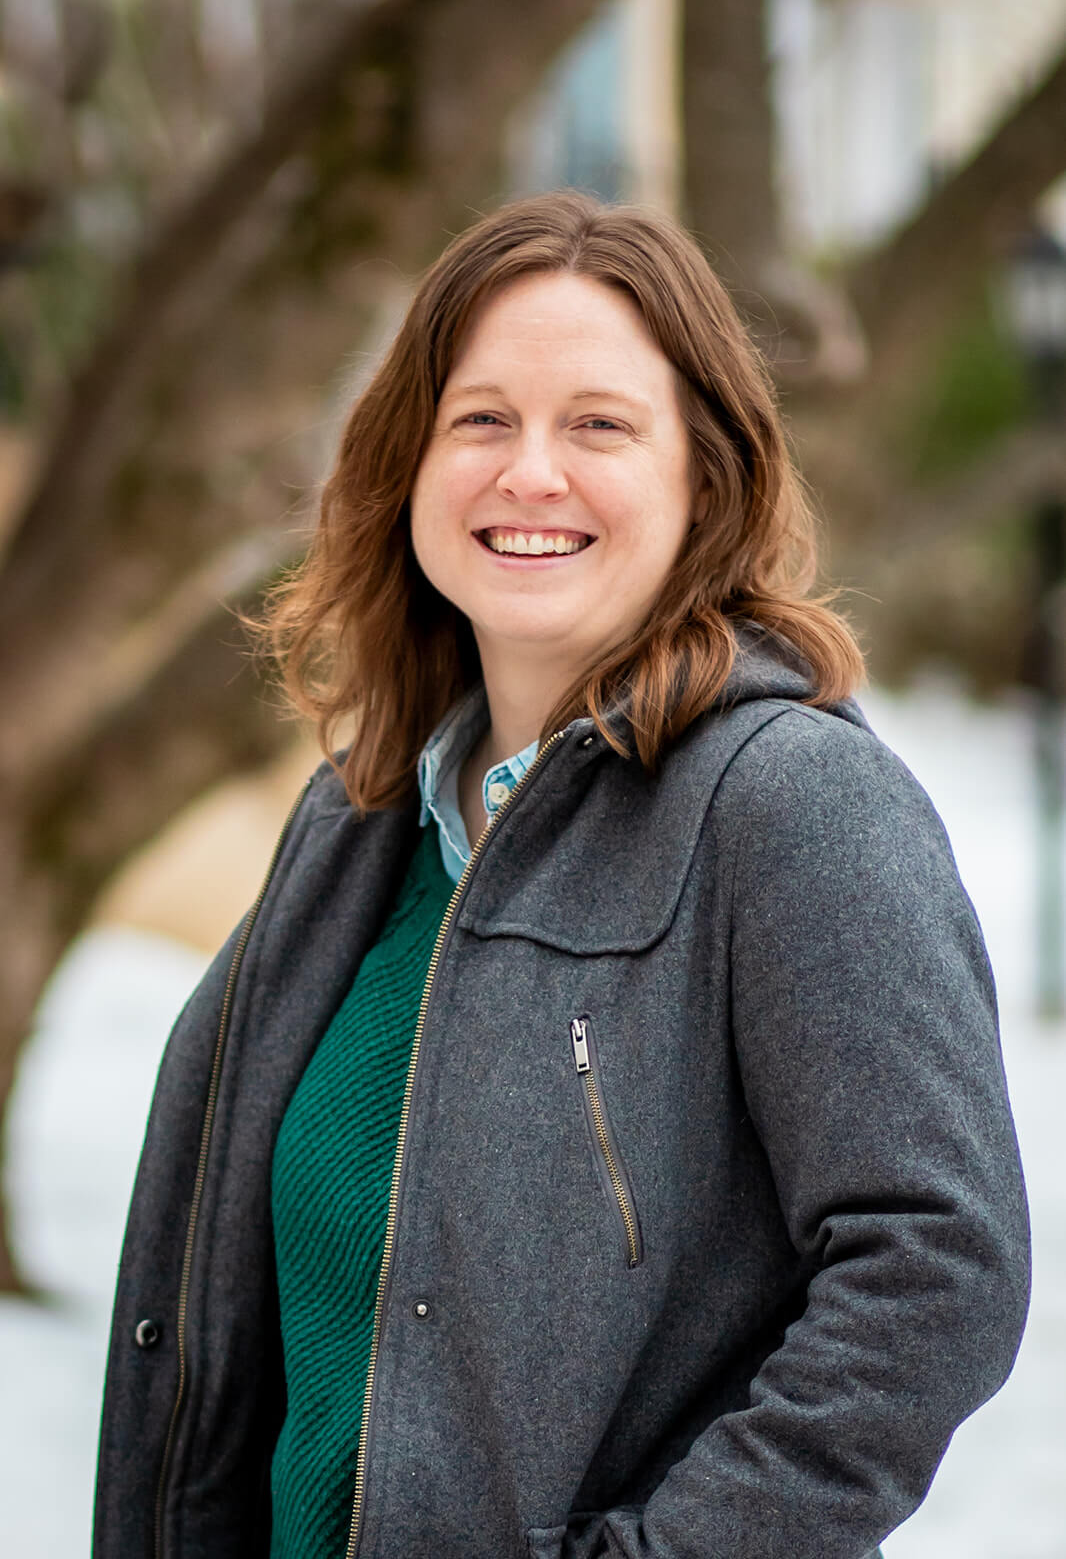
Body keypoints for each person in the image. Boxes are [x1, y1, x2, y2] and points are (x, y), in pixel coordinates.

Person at [93, 191, 1029, 1559]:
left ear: (702, 478)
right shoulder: (358, 820)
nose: (529, 473)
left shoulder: (792, 806)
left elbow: (935, 1271)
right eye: (480, 420)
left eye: (598, 425)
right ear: (407, 464)